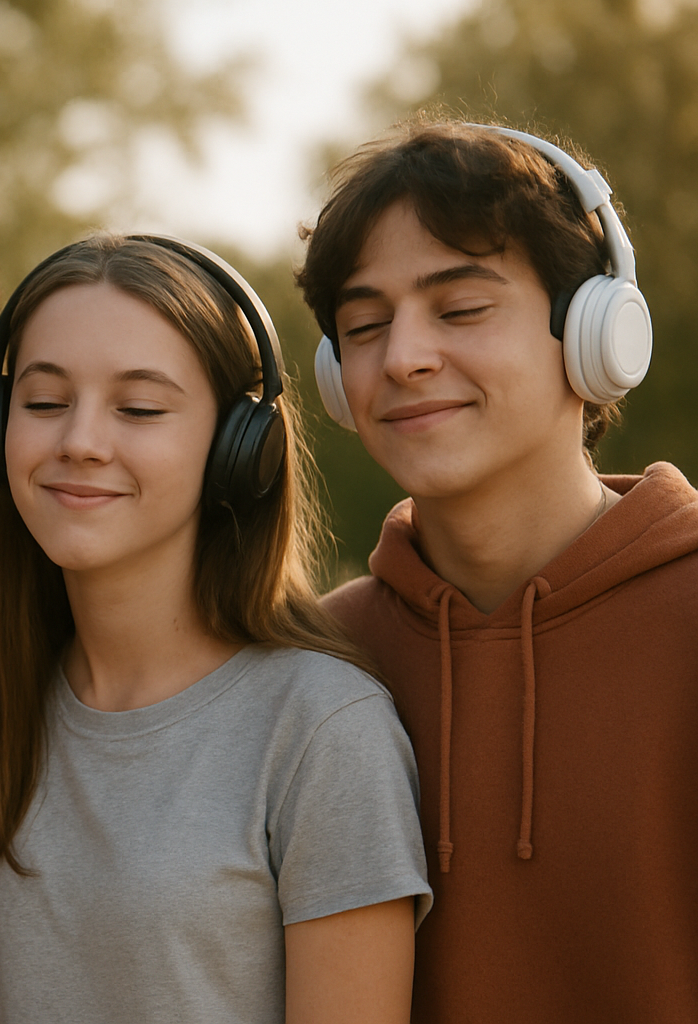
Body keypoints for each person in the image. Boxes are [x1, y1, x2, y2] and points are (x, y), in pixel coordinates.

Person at [0, 234, 431, 1024]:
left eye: (139, 408)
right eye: (43, 402)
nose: (81, 442)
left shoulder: (321, 730)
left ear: (239, 450)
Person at [297, 119, 698, 1021]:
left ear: (597, 330)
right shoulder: (317, 661)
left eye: (461, 309)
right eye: (364, 325)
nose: (403, 357)